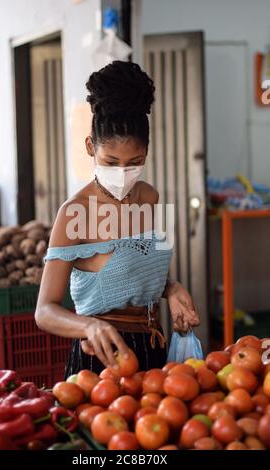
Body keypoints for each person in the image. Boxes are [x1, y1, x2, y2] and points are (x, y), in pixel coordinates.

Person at [35, 60, 200, 376]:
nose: (123, 174)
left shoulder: (151, 198)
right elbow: (45, 311)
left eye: (134, 162)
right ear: (90, 148)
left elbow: (139, 274)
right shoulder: (75, 213)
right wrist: (90, 326)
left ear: (147, 153)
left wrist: (171, 288)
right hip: (100, 360)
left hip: (153, 348)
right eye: (111, 162)